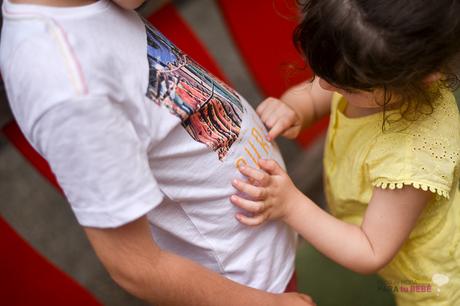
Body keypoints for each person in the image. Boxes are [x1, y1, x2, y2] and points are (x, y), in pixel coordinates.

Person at [0, 0, 317, 305]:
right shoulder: (67, 85)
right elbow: (134, 266)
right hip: (243, 284)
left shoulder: (84, 10)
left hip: (262, 254)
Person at [230, 0, 460, 305]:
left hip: (432, 283)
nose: (324, 86)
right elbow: (318, 96)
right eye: (322, 74)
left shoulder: (410, 160)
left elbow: (370, 249)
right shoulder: (374, 77)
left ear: (422, 78)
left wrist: (291, 205)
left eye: (345, 87)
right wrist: (293, 107)